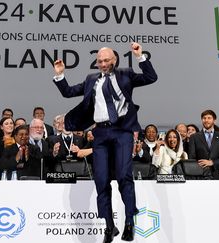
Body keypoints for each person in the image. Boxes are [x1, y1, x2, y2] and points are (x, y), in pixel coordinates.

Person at [52, 42, 157, 242]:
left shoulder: (126, 74)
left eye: (106, 60)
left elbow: (151, 77)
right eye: (99, 61)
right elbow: (68, 92)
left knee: (125, 177)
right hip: (100, 133)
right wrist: (60, 75)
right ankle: (109, 226)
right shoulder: (92, 79)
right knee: (101, 180)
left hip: (122, 132)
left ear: (114, 60)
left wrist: (140, 56)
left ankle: (129, 222)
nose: (102, 64)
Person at [188, 110, 219, 179]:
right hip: (200, 175)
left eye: (209, 118)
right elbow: (191, 157)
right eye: (204, 118)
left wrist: (212, 162)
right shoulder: (194, 137)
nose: (206, 120)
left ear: (214, 120)